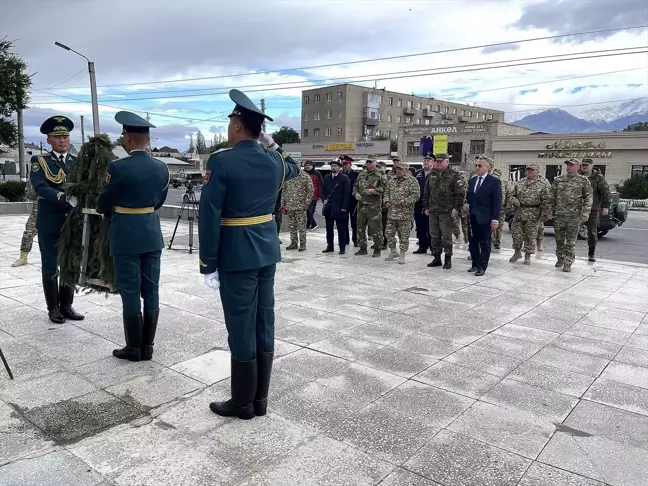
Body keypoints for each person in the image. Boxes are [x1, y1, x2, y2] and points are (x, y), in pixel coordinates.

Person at [198, 89, 299, 420]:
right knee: (263, 320)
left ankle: (242, 403)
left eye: (231, 122)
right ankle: (260, 400)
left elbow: (210, 215)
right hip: (267, 251)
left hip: (237, 254)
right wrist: (272, 145)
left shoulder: (222, 161)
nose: (229, 128)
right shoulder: (275, 162)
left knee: (241, 325)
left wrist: (208, 264)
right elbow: (294, 166)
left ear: (239, 125)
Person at [96, 111, 169, 362]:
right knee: (151, 290)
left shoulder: (117, 168)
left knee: (129, 290)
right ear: (147, 140)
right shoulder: (162, 168)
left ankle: (133, 348)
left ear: (127, 138)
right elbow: (159, 201)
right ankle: (147, 347)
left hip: (125, 234)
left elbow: (103, 204)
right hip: (150, 233)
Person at [29, 116, 84, 324]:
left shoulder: (76, 162)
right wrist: (62, 196)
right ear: (48, 139)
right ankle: (52, 308)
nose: (62, 140)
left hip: (72, 222)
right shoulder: (40, 161)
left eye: (65, 136)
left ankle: (66, 305)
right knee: (51, 265)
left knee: (70, 264)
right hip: (50, 222)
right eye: (57, 137)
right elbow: (40, 187)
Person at [423, 154, 464, 269]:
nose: (438, 163)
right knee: (434, 235)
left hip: (447, 212)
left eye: (441, 161)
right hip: (433, 211)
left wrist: (456, 208)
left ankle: (448, 259)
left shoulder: (454, 175)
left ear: (447, 162)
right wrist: (426, 207)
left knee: (446, 236)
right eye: (437, 161)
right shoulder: (432, 175)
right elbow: (427, 192)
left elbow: (459, 194)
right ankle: (436, 258)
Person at [551, 159, 593, 272]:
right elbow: (551, 197)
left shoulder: (583, 181)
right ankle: (560, 257)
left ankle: (568, 262)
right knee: (559, 239)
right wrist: (548, 211)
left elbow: (588, 198)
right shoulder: (558, 180)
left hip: (574, 216)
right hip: (560, 215)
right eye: (568, 165)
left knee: (570, 240)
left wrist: (585, 213)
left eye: (571, 165)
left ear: (578, 167)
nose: (569, 167)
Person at [508, 164, 551, 265]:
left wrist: (545, 213)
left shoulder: (543, 184)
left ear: (537, 172)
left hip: (534, 213)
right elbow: (511, 195)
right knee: (516, 234)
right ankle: (517, 252)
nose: (529, 172)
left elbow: (546, 200)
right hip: (520, 212)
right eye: (528, 170)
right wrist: (514, 200)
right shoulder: (520, 182)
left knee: (530, 236)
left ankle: (528, 256)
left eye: (532, 170)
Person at [466, 155, 502, 276]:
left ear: (487, 168)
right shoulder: (472, 180)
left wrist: (495, 219)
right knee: (473, 242)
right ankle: (475, 263)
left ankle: (482, 266)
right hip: (473, 216)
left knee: (485, 242)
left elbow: (497, 202)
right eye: (476, 165)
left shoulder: (494, 181)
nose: (477, 167)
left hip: (486, 217)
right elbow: (469, 197)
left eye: (479, 165)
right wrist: (465, 204)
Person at [384, 160, 420, 264]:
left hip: (405, 214)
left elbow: (415, 195)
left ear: (406, 170)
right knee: (389, 233)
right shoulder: (391, 181)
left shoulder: (412, 181)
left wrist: (404, 202)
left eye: (401, 169)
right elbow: (386, 192)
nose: (398, 171)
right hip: (392, 213)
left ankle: (402, 254)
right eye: (397, 169)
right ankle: (393, 251)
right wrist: (386, 201)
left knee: (403, 235)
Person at [353, 155, 388, 257]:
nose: (369, 164)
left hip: (374, 205)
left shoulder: (381, 174)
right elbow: (355, 186)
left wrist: (374, 191)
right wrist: (355, 194)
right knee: (360, 227)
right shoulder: (362, 174)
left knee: (376, 228)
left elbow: (385, 189)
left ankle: (377, 249)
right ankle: (362, 248)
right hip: (361, 204)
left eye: (371, 162)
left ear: (375, 162)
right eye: (367, 162)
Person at [579, 158, 611, 262]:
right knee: (572, 230)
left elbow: (605, 192)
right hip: (577, 208)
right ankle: (570, 253)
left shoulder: (598, 177)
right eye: (583, 164)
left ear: (592, 166)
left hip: (593, 208)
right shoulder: (578, 175)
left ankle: (591, 253)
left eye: (587, 165)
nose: (584, 166)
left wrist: (605, 206)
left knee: (592, 232)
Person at [281, 161, 313, 251]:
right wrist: (283, 204)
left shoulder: (305, 176)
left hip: (301, 206)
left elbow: (310, 191)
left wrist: (307, 203)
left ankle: (303, 244)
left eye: (296, 165)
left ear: (300, 165)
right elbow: (284, 191)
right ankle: (293, 243)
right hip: (289, 206)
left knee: (301, 226)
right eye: (293, 165)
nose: (295, 166)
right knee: (291, 226)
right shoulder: (287, 177)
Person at [321, 159, 351, 254]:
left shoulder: (344, 178)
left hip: (340, 208)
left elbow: (347, 194)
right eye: (332, 166)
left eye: (335, 166)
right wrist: (324, 199)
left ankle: (342, 248)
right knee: (329, 229)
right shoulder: (326, 177)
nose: (333, 167)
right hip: (329, 207)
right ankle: (330, 246)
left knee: (341, 229)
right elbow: (323, 191)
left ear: (340, 168)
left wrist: (344, 207)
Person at [11, 177, 38, 267]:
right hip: (39, 209)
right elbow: (28, 193)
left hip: (57, 208)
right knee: (29, 231)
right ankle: (23, 257)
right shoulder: (37, 173)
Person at [413, 154, 434, 253]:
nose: (426, 162)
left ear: (433, 163)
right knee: (420, 226)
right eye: (425, 160)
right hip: (418, 204)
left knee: (431, 227)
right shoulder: (417, 173)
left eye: (429, 160)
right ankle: (422, 246)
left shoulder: (436, 173)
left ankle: (433, 247)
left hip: (431, 204)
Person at [341, 155, 359, 246]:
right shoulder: (340, 175)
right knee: (343, 222)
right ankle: (345, 239)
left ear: (350, 164)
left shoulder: (356, 175)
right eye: (343, 164)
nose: (344, 166)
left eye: (346, 164)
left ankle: (355, 240)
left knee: (354, 222)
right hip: (343, 202)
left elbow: (358, 187)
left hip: (353, 202)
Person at [303, 161, 322, 230]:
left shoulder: (317, 173)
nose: (307, 166)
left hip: (314, 195)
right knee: (306, 210)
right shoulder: (302, 173)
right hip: (304, 195)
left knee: (310, 210)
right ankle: (314, 223)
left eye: (309, 165)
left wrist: (320, 195)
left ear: (312, 166)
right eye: (306, 165)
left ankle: (309, 225)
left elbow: (320, 184)